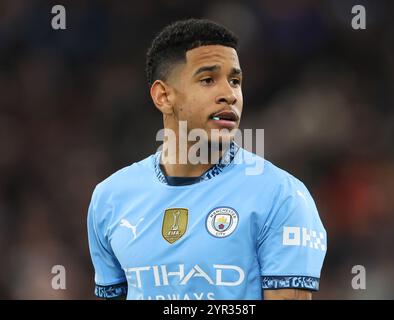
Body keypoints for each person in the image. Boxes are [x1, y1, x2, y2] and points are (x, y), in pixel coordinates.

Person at [87, 18, 327, 300]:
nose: (229, 95)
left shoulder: (281, 197)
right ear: (163, 96)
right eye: (208, 80)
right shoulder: (110, 198)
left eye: (235, 81)